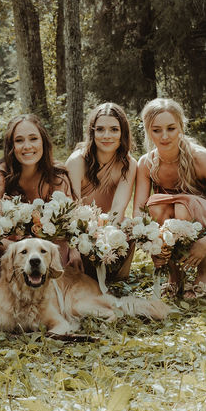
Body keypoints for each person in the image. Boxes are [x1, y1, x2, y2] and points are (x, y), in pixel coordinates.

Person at [133, 98, 206, 299]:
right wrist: (152, 241)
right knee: (155, 206)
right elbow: (139, 211)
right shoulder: (146, 163)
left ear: (181, 126)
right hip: (180, 241)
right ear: (148, 131)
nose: (164, 136)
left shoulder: (202, 158)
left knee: (183, 204)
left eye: (171, 128)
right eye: (156, 130)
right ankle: (175, 276)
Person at [0, 113, 78, 278]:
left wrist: (75, 250)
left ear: (43, 142)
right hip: (10, 249)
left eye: (33, 139)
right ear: (11, 146)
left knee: (62, 246)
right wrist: (18, 247)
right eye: (19, 140)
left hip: (47, 250)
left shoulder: (56, 176)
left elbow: (70, 222)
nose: (27, 146)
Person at [66, 102, 138, 280]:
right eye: (100, 129)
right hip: (77, 230)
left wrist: (104, 239)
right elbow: (69, 210)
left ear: (123, 133)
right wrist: (75, 246)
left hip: (107, 228)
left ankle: (114, 276)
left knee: (129, 226)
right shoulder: (77, 161)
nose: (107, 136)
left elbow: (119, 207)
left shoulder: (129, 164)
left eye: (114, 129)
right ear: (92, 132)